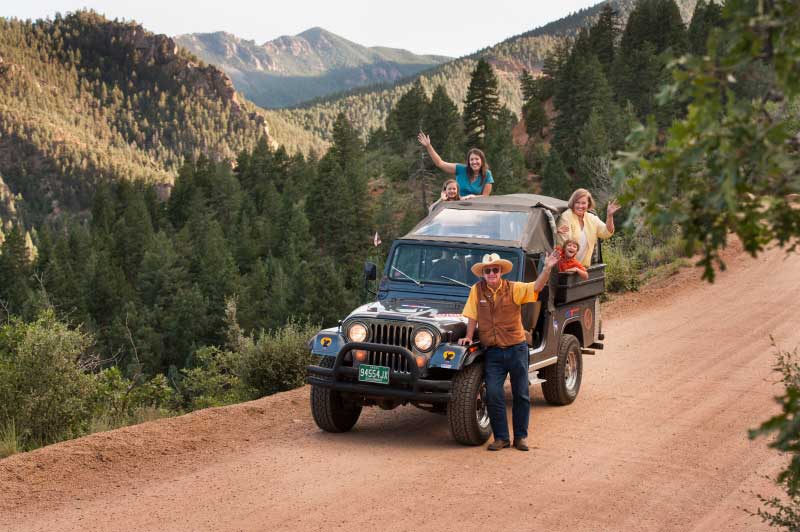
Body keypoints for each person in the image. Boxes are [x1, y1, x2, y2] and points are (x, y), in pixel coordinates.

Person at [458, 251, 559, 452]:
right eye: (488, 270)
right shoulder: (476, 291)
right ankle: (501, 438)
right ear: (483, 273)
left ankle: (520, 437)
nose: (492, 273)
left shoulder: (514, 288)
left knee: (521, 394)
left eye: (495, 270)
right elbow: (471, 314)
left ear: (501, 271)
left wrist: (547, 268)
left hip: (516, 349)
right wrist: (469, 336)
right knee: (494, 394)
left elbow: (536, 287)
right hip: (493, 352)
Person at [417, 132, 494, 198]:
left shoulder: (487, 174)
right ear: (468, 162)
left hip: (474, 207)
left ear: (482, 161)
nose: (474, 162)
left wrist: (472, 197)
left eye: (477, 159)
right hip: (456, 204)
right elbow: (440, 163)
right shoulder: (461, 169)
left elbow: (485, 197)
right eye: (471, 159)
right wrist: (428, 146)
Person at [556, 188, 620, 268]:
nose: (580, 206)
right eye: (577, 202)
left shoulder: (591, 218)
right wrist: (572, 266)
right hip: (565, 266)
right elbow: (562, 245)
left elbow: (607, 232)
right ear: (573, 203)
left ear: (588, 204)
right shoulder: (566, 217)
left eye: (583, 203)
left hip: (582, 267)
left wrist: (609, 216)